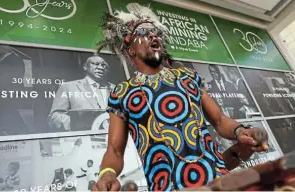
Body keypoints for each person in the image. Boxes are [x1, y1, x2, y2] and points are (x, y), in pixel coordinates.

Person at [93, 7, 269, 191]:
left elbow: (219, 120)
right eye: (144, 33)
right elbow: (115, 149)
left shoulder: (188, 77)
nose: (154, 36)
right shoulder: (122, 93)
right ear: (131, 50)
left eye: (157, 33)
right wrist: (108, 173)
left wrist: (240, 131)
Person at [48, 54, 115, 131]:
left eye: (104, 65)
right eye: (96, 64)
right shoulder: (68, 87)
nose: (100, 68)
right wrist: (77, 123)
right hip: (84, 139)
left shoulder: (116, 89)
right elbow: (53, 117)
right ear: (85, 66)